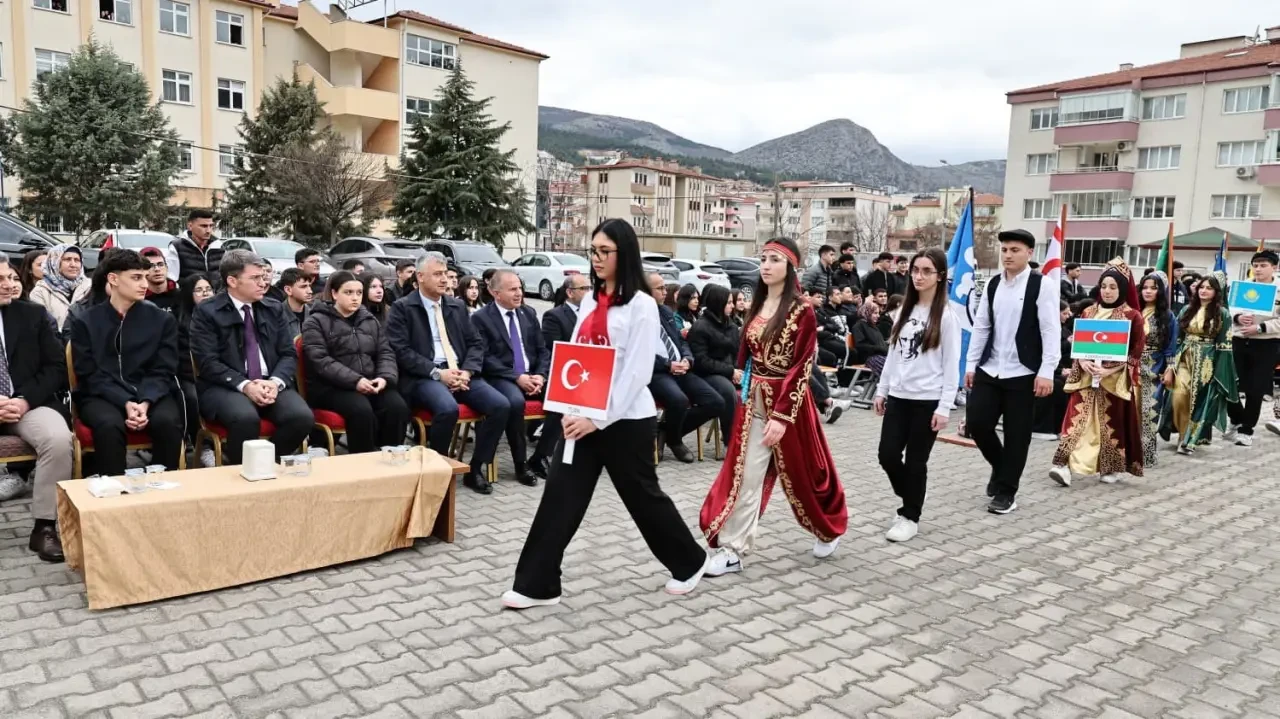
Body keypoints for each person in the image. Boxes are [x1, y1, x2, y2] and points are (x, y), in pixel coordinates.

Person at [503, 219, 711, 609]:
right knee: (560, 497)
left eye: (605, 252)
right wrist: (568, 409)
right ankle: (537, 584)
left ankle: (690, 561)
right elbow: (578, 359)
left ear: (624, 254)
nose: (596, 259)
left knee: (643, 497)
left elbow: (636, 372)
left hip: (627, 421)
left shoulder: (643, 306)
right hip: (581, 417)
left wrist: (597, 418)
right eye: (593, 251)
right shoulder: (589, 302)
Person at [700, 235, 847, 576]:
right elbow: (747, 350)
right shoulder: (757, 304)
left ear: (791, 267)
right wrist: (741, 378)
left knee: (808, 474)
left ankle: (828, 527)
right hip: (754, 401)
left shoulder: (802, 311)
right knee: (746, 474)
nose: (766, 265)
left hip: (790, 406)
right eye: (763, 258)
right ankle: (733, 549)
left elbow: (800, 367)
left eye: (774, 260)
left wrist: (781, 415)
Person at [386, 253, 510, 494]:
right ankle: (438, 470)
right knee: (447, 408)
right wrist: (436, 373)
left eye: (445, 274)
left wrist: (468, 371)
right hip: (424, 376)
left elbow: (475, 344)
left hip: (461, 373)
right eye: (438, 274)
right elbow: (401, 351)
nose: (445, 280)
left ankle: (475, 468)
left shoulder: (456, 306)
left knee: (500, 405)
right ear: (420, 277)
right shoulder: (403, 308)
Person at [964, 229, 1060, 515]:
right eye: (1004, 250)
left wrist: (1046, 370)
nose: (1007, 255)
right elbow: (981, 326)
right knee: (978, 423)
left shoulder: (1041, 285)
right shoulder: (993, 284)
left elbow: (1050, 330)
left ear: (1029, 253)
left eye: (1014, 250)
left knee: (1018, 436)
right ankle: (1001, 466)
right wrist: (971, 365)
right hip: (991, 369)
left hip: (1024, 372)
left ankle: (1007, 492)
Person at [190, 251, 313, 464]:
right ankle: (238, 469)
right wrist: (245, 385)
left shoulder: (273, 308)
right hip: (225, 386)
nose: (263, 283)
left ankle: (263, 463)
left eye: (264, 276)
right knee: (245, 419)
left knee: (301, 418)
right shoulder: (207, 312)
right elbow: (208, 362)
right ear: (232, 281)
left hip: (270, 381)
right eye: (255, 278)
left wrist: (275, 382)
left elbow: (288, 353)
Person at [68, 251, 185, 475]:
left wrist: (145, 402)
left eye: (145, 277)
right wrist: (126, 401)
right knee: (109, 425)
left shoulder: (162, 320)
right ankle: (113, 493)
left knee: (168, 421)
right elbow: (88, 373)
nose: (144, 283)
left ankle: (164, 491)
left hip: (153, 393)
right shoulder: (86, 321)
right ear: (113, 279)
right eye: (136, 277)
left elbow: (164, 369)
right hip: (101, 394)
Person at [873, 248, 960, 543]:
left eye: (926, 271)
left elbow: (951, 367)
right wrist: (882, 391)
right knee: (887, 455)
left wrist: (945, 407)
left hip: (928, 401)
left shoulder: (947, 317)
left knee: (915, 462)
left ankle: (910, 515)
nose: (919, 276)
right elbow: (893, 357)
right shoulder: (902, 312)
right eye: (915, 270)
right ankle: (910, 492)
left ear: (940, 276)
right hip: (899, 396)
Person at [0, 257, 74, 562]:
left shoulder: (33, 314)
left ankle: (44, 527)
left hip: (25, 404)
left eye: (11, 277)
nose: (8, 284)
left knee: (58, 440)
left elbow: (56, 367)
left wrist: (24, 400)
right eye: (0, 279)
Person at [1048, 260, 1146, 487]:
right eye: (1104, 286)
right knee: (1076, 419)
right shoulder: (1089, 311)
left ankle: (1109, 466)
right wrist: (1082, 361)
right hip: (1085, 377)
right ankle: (1063, 465)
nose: (1108, 291)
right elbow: (1079, 345)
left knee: (1111, 422)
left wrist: (1109, 369)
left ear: (1122, 288)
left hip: (1113, 380)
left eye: (1113, 287)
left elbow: (1136, 352)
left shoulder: (1132, 316)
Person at [301, 271, 408, 455]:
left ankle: (389, 457)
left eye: (359, 293)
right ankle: (363, 461)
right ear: (334, 294)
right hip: (330, 387)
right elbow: (321, 361)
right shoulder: (316, 321)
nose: (355, 298)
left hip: (369, 382)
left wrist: (384, 378)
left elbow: (385, 352)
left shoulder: (369, 320)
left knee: (396, 406)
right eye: (348, 292)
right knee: (361, 410)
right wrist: (355, 381)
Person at [471, 270, 550, 486]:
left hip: (533, 375)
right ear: (496, 293)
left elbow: (543, 351)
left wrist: (541, 376)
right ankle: (518, 464)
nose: (519, 293)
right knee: (515, 403)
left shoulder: (528, 314)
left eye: (520, 288)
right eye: (512, 289)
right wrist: (517, 377)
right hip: (502, 377)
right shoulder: (481, 318)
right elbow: (484, 358)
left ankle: (539, 456)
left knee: (563, 398)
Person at [648, 274, 725, 463]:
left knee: (716, 402)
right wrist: (667, 364)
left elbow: (680, 341)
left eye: (665, 288)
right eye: (660, 288)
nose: (665, 292)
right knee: (679, 400)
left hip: (681, 368)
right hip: (658, 372)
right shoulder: (635, 316)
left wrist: (688, 359)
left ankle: (667, 430)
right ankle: (675, 441)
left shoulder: (665, 312)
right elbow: (637, 353)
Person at [1160, 273, 1238, 455]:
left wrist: (1220, 372)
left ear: (1216, 292)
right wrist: (1170, 366)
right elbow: (1176, 340)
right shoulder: (1186, 309)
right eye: (1201, 287)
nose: (1204, 291)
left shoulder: (1223, 314)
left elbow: (1225, 346)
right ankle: (1181, 434)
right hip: (1184, 358)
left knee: (1199, 400)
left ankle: (1189, 438)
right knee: (1179, 395)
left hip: (1207, 362)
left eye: (1209, 288)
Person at [532, 275, 591, 477]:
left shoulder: (593, 315)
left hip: (587, 374)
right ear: (570, 292)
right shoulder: (554, 316)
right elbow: (553, 350)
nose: (589, 292)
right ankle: (540, 456)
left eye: (590, 288)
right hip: (560, 374)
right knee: (564, 403)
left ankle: (590, 455)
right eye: (584, 288)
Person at [1225, 250, 1280, 446]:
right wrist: (1238, 317)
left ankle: (1246, 430)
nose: (1258, 269)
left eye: (1263, 265)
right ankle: (1237, 418)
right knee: (1230, 384)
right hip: (1239, 340)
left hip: (1267, 343)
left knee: (1255, 389)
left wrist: (1260, 327)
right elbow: (1229, 311)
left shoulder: (1278, 290)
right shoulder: (1242, 288)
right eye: (1255, 265)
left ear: (1275, 267)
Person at [687, 283, 741, 446]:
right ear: (719, 303)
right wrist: (731, 371)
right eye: (729, 302)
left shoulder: (730, 325)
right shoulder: (701, 327)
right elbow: (702, 361)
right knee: (727, 391)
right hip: (706, 374)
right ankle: (731, 442)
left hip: (728, 370)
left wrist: (739, 371)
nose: (732, 306)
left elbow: (736, 352)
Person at [174, 273, 216, 463]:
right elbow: (180, 356)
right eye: (199, 290)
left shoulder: (221, 316)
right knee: (192, 397)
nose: (205, 294)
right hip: (189, 375)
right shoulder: (181, 321)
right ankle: (203, 446)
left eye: (208, 289)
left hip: (217, 373)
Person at [1137, 272, 1177, 467]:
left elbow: (1171, 345)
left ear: (1161, 291)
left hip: (1155, 366)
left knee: (1150, 409)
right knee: (1130, 410)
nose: (1148, 291)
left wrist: (1170, 368)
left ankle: (1147, 454)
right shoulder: (1134, 311)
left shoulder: (1167, 316)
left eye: (1153, 288)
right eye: (1145, 287)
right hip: (1130, 367)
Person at [1031, 300, 1074, 441]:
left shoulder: (1064, 329)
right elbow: (1042, 353)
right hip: (1038, 370)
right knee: (1058, 385)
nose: (1068, 316)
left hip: (1055, 369)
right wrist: (1060, 370)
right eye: (1064, 313)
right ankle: (1044, 426)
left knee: (1065, 382)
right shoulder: (1041, 328)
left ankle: (1060, 426)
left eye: (1069, 313)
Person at [28, 244, 90, 331]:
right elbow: (42, 326)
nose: (73, 264)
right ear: (55, 262)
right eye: (67, 259)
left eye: (77, 260)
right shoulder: (40, 292)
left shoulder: (90, 287)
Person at [164, 209, 223, 283]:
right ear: (190, 226)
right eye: (204, 226)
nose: (208, 230)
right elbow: (172, 279)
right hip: (187, 293)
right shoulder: (177, 247)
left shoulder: (219, 246)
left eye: (211, 226)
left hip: (216, 294)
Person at [851, 300, 889, 374]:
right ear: (867, 313)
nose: (878, 316)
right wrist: (879, 348)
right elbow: (860, 345)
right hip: (870, 358)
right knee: (892, 367)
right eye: (875, 313)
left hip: (879, 355)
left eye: (878, 313)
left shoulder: (873, 326)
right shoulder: (859, 326)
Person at [275, 268, 314, 338]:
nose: (310, 291)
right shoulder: (276, 315)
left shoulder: (314, 313)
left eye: (310, 286)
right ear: (288, 290)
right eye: (303, 287)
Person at [139, 247, 178, 311]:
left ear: (167, 267)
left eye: (160, 264)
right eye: (150, 266)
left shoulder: (181, 296)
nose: (157, 269)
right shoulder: (137, 299)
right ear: (142, 270)